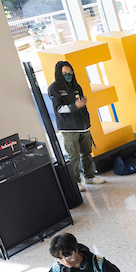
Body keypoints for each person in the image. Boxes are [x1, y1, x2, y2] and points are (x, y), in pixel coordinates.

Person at [48, 60, 104, 190]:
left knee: (87, 153)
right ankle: (75, 182)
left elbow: (82, 104)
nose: (68, 75)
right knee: (73, 156)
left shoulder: (76, 86)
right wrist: (74, 106)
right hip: (69, 128)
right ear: (59, 74)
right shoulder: (54, 88)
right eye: (65, 73)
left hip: (83, 125)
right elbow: (58, 109)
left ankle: (89, 177)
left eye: (70, 72)